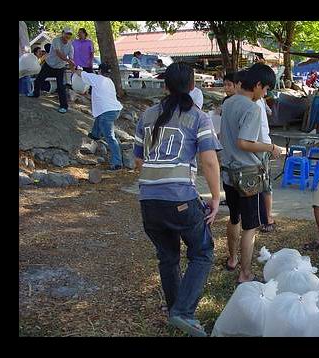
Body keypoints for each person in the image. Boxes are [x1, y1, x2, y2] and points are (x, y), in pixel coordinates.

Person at [133, 62, 222, 337]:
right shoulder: (198, 116)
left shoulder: (146, 115)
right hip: (180, 199)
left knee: (168, 257)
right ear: (193, 86)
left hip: (149, 202)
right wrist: (216, 197)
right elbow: (209, 161)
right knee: (203, 252)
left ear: (165, 85)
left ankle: (176, 310)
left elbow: (138, 161)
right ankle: (183, 312)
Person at [219, 63, 283, 284]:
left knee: (234, 218)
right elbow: (244, 143)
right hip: (247, 175)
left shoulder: (228, 103)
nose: (264, 94)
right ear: (256, 85)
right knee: (250, 227)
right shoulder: (252, 107)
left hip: (228, 172)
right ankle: (245, 274)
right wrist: (271, 148)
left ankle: (233, 258)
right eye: (265, 89)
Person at [71, 63, 124, 170]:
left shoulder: (97, 78)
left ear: (99, 70)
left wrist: (75, 68)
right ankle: (95, 135)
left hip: (107, 111)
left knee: (110, 137)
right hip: (114, 109)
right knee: (99, 118)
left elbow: (81, 73)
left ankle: (117, 162)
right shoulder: (109, 81)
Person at [28, 28, 75, 114]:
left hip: (60, 68)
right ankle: (35, 93)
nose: (68, 36)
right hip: (49, 65)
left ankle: (64, 106)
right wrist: (68, 61)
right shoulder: (56, 40)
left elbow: (71, 59)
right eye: (67, 34)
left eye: (70, 34)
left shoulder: (71, 47)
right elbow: (58, 53)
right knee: (38, 80)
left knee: (61, 87)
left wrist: (73, 67)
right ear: (63, 33)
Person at [256, 93, 276, 233]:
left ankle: (268, 217)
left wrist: (269, 147)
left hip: (262, 147)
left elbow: (263, 129)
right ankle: (262, 216)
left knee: (265, 185)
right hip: (257, 147)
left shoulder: (257, 101)